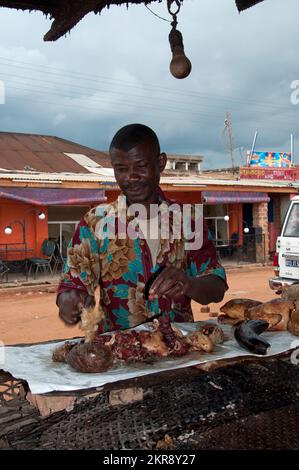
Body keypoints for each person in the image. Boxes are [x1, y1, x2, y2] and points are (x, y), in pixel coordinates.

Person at [57, 124, 227, 334]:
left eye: (140, 166)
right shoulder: (95, 223)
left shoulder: (190, 220)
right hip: (117, 354)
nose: (131, 177)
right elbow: (72, 286)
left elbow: (216, 288)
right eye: (121, 169)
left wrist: (189, 284)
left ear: (160, 163)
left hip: (178, 352)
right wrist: (69, 300)